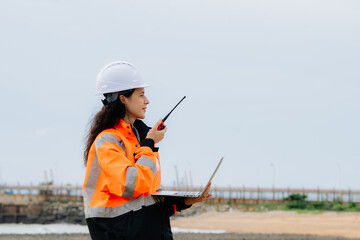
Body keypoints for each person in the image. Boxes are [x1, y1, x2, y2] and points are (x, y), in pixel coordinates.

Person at [83, 61, 211, 240]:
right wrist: (149, 144)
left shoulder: (137, 139)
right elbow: (134, 185)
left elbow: (146, 201)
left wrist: (185, 202)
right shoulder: (108, 140)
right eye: (141, 94)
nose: (147, 101)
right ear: (123, 98)